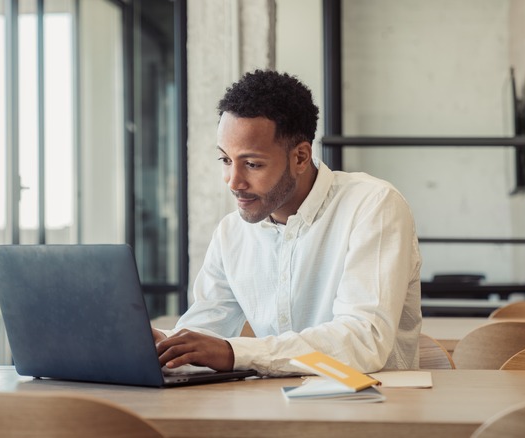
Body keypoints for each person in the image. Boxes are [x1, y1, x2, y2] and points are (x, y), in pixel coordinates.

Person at [153, 69, 422, 376]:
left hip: (369, 411)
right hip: (274, 409)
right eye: (225, 160)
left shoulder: (374, 206)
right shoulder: (231, 232)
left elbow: (364, 340)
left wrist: (234, 352)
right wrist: (168, 347)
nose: (233, 181)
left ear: (300, 158)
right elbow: (204, 331)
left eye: (252, 164)